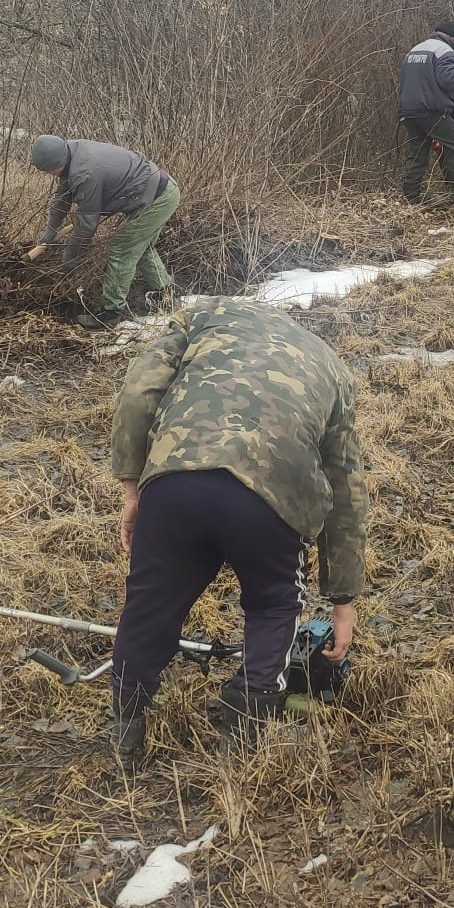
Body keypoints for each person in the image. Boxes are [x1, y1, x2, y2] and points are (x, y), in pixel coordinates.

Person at [107, 297, 367, 765]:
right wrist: (344, 601)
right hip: (273, 498)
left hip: (177, 479)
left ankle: (127, 726)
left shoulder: (203, 316)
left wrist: (132, 489)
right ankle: (243, 733)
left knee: (152, 598)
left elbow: (138, 393)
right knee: (273, 602)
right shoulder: (331, 366)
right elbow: (346, 486)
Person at [26, 134, 180, 328]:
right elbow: (63, 196)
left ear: (58, 162)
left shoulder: (85, 172)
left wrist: (72, 254)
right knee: (141, 247)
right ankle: (165, 293)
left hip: (158, 197)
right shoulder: (71, 152)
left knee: (122, 247)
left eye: (49, 170)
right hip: (160, 189)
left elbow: (87, 223)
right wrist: (50, 229)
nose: (50, 174)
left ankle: (110, 313)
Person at [397, 20, 454, 204]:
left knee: (417, 152)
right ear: (451, 38)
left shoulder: (415, 50)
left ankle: (412, 194)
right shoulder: (443, 51)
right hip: (431, 110)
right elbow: (449, 79)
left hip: (408, 111)